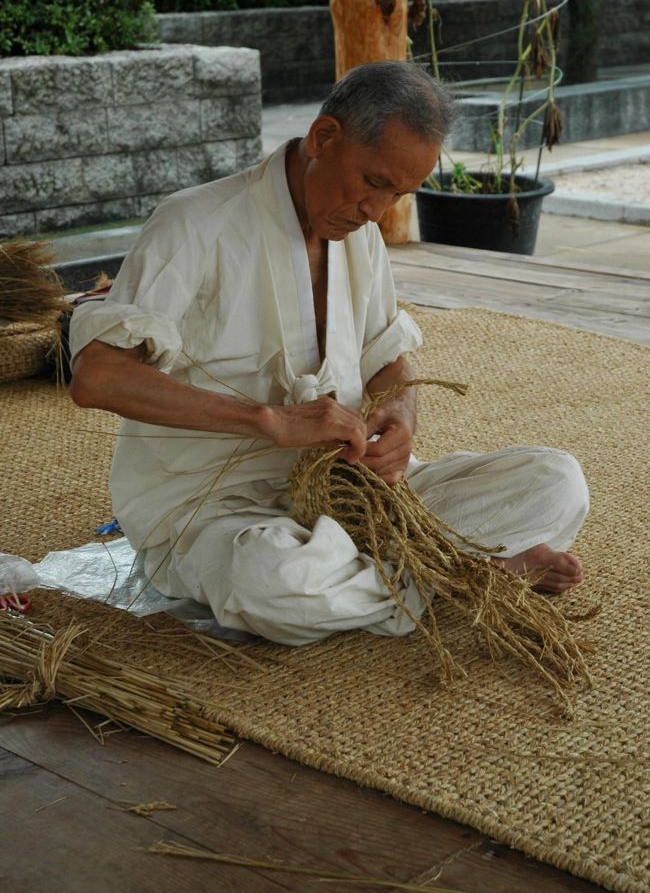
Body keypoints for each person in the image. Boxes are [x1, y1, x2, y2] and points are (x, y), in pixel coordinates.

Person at [69, 61, 588, 645]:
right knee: (272, 581)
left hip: (350, 494)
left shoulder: (358, 233)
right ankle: (455, 576)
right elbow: (97, 375)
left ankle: (390, 575)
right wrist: (268, 420)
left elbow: (388, 357)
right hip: (214, 509)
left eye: (399, 193)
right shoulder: (194, 223)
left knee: (557, 481)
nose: (378, 210)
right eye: (373, 181)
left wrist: (401, 416)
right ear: (323, 138)